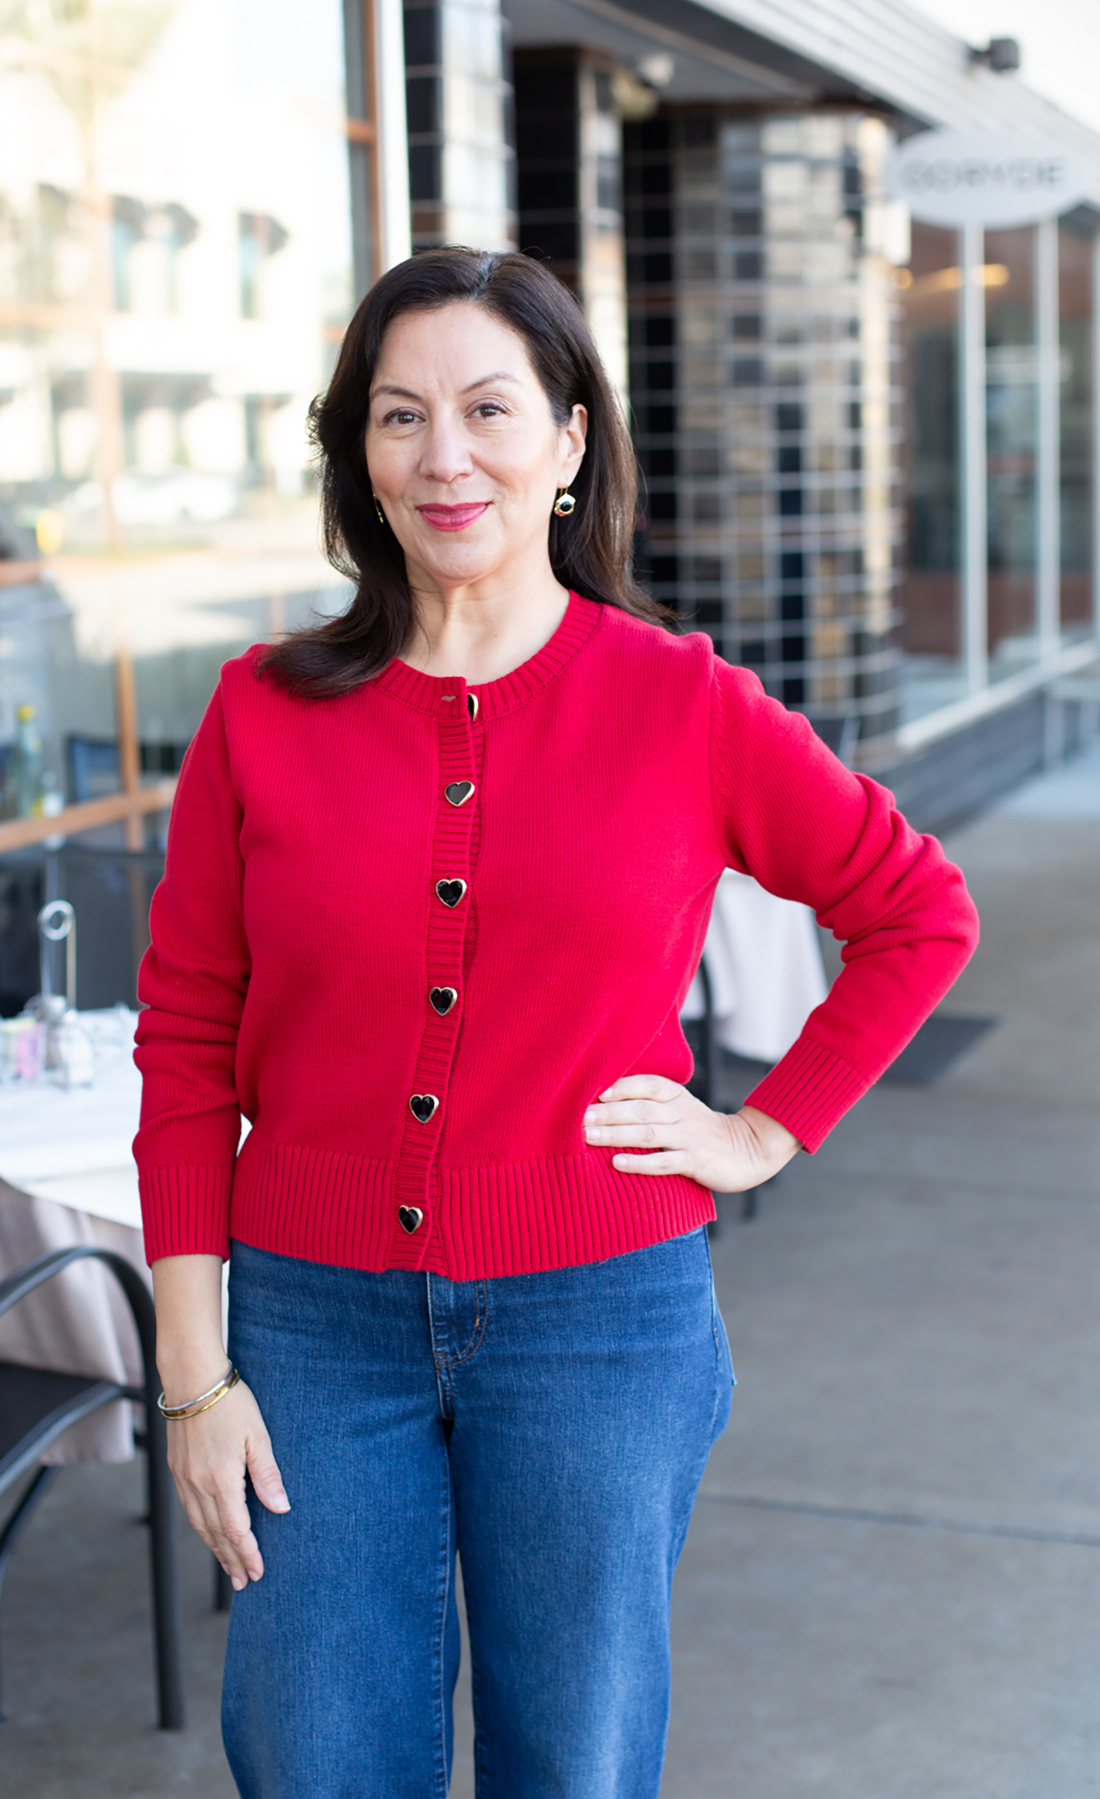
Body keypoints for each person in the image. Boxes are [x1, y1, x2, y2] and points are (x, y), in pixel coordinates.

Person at [133, 247, 978, 1798]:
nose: (444, 454)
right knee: (311, 1752)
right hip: (314, 1328)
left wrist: (758, 1131)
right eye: (399, 416)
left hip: (601, 1319)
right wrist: (193, 1379)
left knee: (573, 1762)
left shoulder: (684, 704)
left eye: (486, 408)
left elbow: (918, 910)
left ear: (572, 440)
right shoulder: (263, 710)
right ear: (359, 458)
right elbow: (186, 1044)